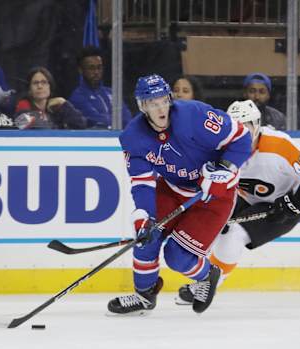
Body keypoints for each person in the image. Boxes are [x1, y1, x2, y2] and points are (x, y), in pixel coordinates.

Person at [107, 74, 251, 315]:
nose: (160, 108)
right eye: (153, 104)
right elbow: (142, 183)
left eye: (163, 101)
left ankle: (208, 275)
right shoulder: (132, 138)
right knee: (147, 237)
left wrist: (225, 168)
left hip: (214, 196)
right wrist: (144, 215)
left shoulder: (195, 116)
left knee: (177, 256)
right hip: (173, 190)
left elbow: (241, 138)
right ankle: (144, 296)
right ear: (143, 106)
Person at [176, 100, 300, 304]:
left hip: (282, 205)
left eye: (246, 127)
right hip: (243, 197)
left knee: (234, 234)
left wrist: (294, 203)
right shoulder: (219, 147)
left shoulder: (279, 146)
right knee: (211, 228)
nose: (240, 134)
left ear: (257, 125)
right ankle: (207, 278)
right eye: (235, 128)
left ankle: (208, 285)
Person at [69, 46, 132, 129]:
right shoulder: (77, 96)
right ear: (81, 70)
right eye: (91, 68)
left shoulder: (111, 92)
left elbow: (128, 118)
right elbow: (99, 121)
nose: (96, 72)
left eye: (99, 67)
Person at [15, 66, 87, 129]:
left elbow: (80, 124)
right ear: (29, 89)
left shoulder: (56, 107)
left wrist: (63, 103)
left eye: (44, 82)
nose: (40, 86)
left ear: (50, 86)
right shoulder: (24, 104)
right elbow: (20, 123)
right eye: (35, 83)